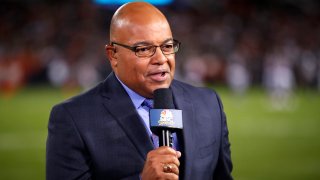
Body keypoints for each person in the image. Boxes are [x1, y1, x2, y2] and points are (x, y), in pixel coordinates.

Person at [46, 2, 233, 180]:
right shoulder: (73, 118)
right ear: (113, 55)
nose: (161, 58)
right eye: (144, 49)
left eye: (167, 46)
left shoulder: (209, 105)